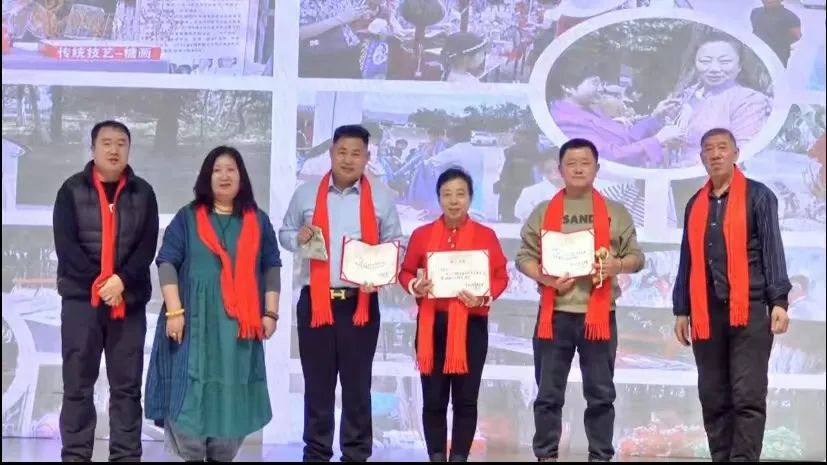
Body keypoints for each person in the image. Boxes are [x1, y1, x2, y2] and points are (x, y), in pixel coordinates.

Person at [144, 146, 281, 462]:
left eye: (231, 169)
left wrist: (270, 312)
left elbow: (271, 265)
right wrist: (174, 311)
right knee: (189, 396)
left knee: (232, 398)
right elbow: (167, 262)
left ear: (241, 177)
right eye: (217, 169)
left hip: (239, 331)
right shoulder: (187, 218)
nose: (224, 176)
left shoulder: (258, 221)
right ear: (207, 177)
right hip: (192, 325)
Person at [279, 124, 404, 462]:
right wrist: (298, 239)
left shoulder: (381, 197)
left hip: (360, 304)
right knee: (317, 386)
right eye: (342, 152)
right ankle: (316, 454)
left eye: (356, 153)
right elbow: (285, 232)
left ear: (367, 157)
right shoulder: (306, 194)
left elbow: (396, 243)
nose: (348, 159)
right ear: (332, 153)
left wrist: (381, 272)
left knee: (357, 387)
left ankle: (356, 454)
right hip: (316, 303)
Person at [515, 138, 644, 462]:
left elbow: (636, 258)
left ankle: (600, 456)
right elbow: (524, 257)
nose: (578, 169)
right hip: (554, 315)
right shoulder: (543, 211)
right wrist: (545, 278)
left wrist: (616, 265)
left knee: (600, 394)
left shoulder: (615, 212)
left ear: (597, 169)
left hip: (598, 315)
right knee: (548, 395)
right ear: (559, 170)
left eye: (585, 163)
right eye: (570, 163)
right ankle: (546, 455)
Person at [671, 128, 791, 462]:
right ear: (701, 158)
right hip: (706, 313)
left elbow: (772, 249)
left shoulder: (759, 196)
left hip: (750, 308)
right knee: (713, 397)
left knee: (747, 396)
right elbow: (687, 258)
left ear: (736, 153)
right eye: (708, 149)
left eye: (722, 147)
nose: (716, 154)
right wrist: (681, 309)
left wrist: (779, 301)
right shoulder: (695, 203)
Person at [54, 120, 159, 462]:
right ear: (93, 148)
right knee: (77, 386)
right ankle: (75, 455)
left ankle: (126, 456)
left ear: (129, 149)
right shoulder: (71, 190)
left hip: (127, 303)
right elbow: (67, 247)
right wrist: (102, 285)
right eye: (106, 143)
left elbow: (146, 246)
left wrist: (121, 282)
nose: (114, 150)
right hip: (81, 302)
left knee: (127, 389)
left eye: (121, 143)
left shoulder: (143, 193)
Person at [398, 168, 509, 462]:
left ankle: (459, 457)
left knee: (465, 401)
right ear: (438, 199)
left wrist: (483, 296)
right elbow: (405, 271)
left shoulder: (486, 236)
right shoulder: (422, 235)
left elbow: (501, 276)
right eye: (447, 194)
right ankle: (436, 457)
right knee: (433, 400)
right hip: (431, 327)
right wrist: (415, 285)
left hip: (472, 326)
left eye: (460, 194)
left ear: (470, 198)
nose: (454, 201)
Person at [671, 36, 772, 167]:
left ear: (739, 66)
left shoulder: (749, 100)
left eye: (725, 62)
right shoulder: (687, 95)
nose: (714, 69)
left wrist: (692, 167)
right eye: (705, 61)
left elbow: (742, 151)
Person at [750, 0, 801, 67]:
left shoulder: (790, 17)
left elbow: (797, 37)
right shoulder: (755, 12)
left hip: (777, 59)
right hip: (757, 55)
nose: (769, 1)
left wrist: (777, 43)